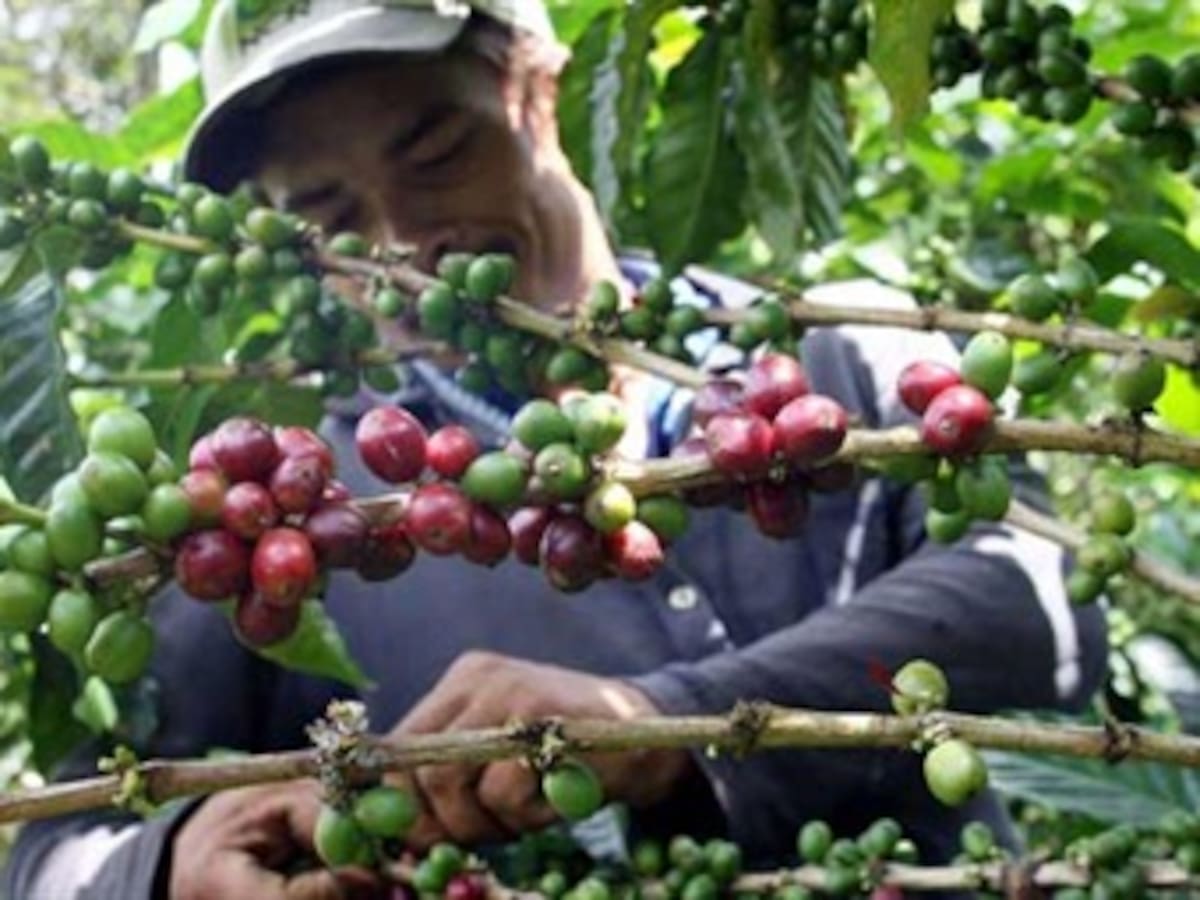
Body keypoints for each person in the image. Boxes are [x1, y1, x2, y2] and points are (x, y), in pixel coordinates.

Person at [6, 2, 1108, 898]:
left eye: (436, 152)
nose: (400, 252)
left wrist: (667, 716)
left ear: (538, 91)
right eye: (330, 217)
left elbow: (1048, 604)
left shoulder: (844, 351)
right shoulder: (281, 519)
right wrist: (167, 864)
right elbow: (49, 854)